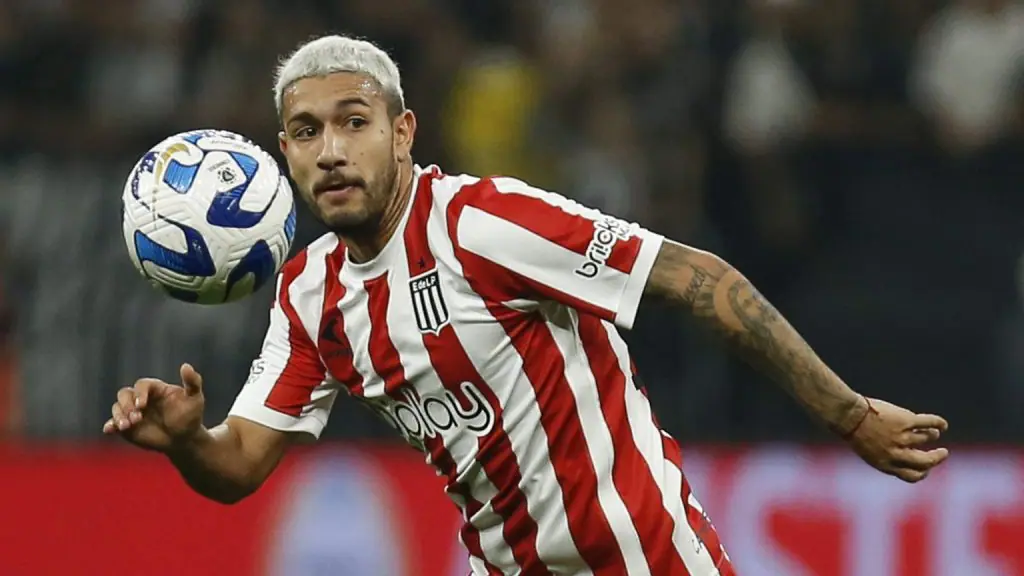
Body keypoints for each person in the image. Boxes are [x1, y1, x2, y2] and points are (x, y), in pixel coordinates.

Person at [102, 35, 949, 575]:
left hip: (643, 562)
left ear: (402, 132)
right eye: (307, 132)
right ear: (283, 154)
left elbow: (700, 280)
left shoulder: (485, 224)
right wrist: (187, 444)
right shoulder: (309, 293)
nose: (331, 151)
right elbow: (241, 461)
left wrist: (847, 416)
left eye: (353, 122)